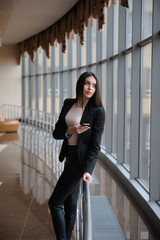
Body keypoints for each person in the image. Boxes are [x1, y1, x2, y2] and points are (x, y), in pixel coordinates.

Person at [48, 71, 105, 240]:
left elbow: (95, 146)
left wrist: (88, 170)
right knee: (70, 205)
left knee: (54, 203)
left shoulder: (97, 111)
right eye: (87, 83)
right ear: (80, 84)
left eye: (94, 85)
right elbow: (56, 133)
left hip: (79, 163)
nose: (90, 88)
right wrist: (70, 130)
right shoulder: (68, 104)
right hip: (69, 157)